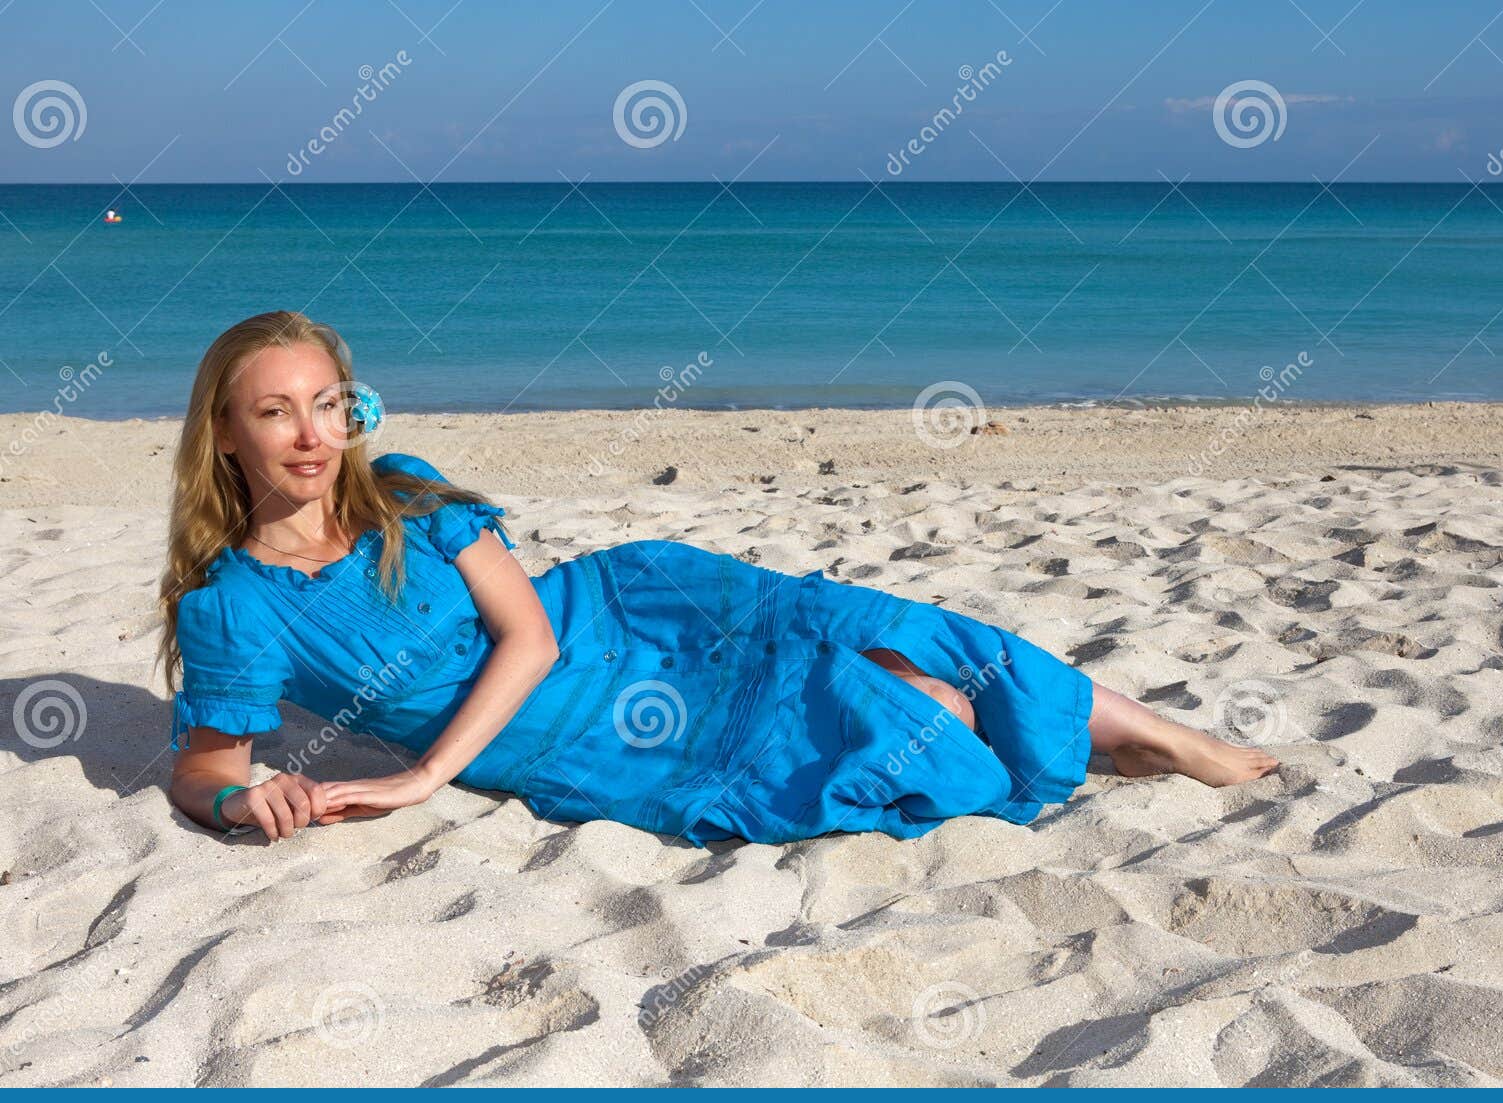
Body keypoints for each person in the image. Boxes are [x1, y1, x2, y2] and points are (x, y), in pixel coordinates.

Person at [161, 311, 1278, 846]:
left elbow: (529, 633)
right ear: (225, 433)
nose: (312, 435)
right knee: (915, 714)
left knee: (875, 621)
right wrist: (239, 795)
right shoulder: (232, 602)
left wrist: (418, 778)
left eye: (328, 404)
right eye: (276, 411)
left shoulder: (402, 488)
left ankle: (1165, 738)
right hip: (569, 736)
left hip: (615, 610)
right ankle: (1077, 734)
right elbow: (204, 766)